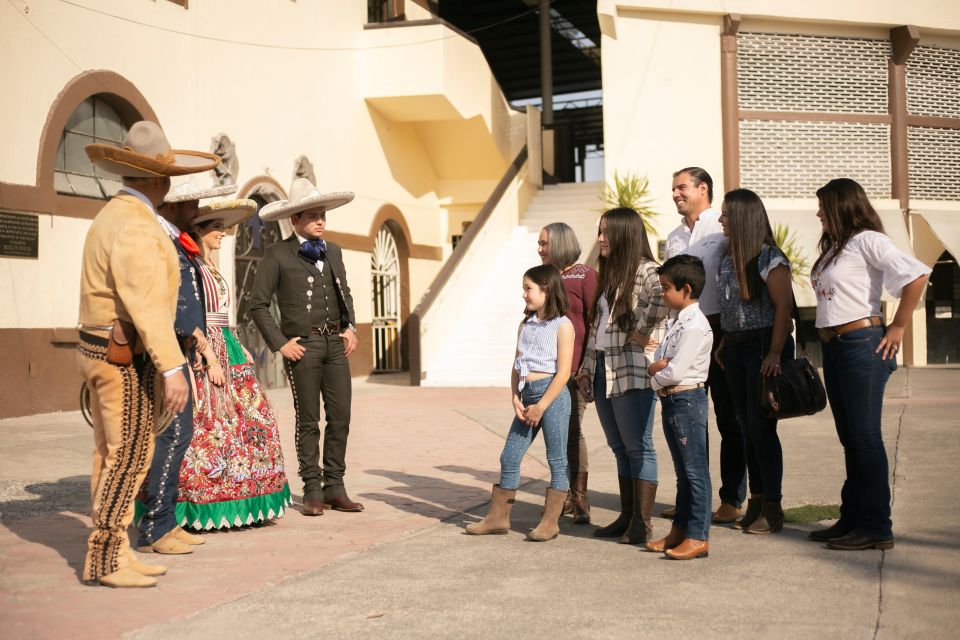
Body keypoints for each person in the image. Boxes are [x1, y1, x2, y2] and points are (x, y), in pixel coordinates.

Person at [78, 120, 218, 587]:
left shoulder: (112, 216)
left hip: (103, 346)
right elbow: (146, 304)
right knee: (129, 455)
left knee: (109, 452)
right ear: (160, 181)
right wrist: (172, 367)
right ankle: (108, 557)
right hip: (122, 353)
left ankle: (112, 549)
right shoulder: (136, 224)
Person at [808, 178, 930, 551]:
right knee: (850, 440)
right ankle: (853, 518)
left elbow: (917, 273)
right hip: (835, 346)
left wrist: (899, 326)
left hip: (862, 344)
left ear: (842, 207)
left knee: (864, 438)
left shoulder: (867, 240)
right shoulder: (835, 248)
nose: (818, 214)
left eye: (824, 208)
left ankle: (877, 527)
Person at [177, 198, 291, 530]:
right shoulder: (191, 265)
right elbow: (190, 313)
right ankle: (204, 501)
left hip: (227, 344)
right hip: (205, 348)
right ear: (198, 230)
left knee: (254, 419)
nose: (223, 233)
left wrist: (235, 342)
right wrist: (206, 355)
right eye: (215, 228)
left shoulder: (207, 264)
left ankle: (248, 496)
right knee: (211, 424)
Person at [135, 179, 235, 555]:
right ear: (173, 205)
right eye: (191, 201)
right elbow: (168, 298)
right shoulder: (160, 240)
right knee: (171, 435)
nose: (197, 208)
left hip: (181, 347)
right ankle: (153, 528)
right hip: (167, 349)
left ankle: (164, 521)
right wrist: (192, 338)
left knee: (179, 434)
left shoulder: (176, 239)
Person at [250, 178, 361, 516]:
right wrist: (281, 343)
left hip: (335, 344)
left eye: (322, 215)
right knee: (309, 420)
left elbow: (345, 292)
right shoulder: (277, 254)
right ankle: (312, 488)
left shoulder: (335, 251)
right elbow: (257, 304)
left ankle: (335, 486)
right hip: (304, 346)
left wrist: (350, 326)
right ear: (295, 219)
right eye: (312, 216)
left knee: (341, 416)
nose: (320, 221)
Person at [577, 207, 667, 545]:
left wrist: (640, 332)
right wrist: (586, 368)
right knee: (618, 447)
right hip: (602, 368)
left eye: (606, 232)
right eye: (600, 231)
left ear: (624, 235)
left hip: (631, 372)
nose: (600, 238)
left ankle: (642, 524)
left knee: (638, 446)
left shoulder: (647, 270)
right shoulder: (610, 274)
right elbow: (595, 328)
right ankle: (628, 516)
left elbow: (662, 298)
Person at [466, 264, 574, 541]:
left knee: (556, 459)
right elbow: (516, 365)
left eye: (528, 288)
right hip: (527, 398)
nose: (524, 294)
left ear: (546, 289)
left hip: (552, 398)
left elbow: (563, 373)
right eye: (524, 289)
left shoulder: (563, 325)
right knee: (509, 456)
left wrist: (542, 405)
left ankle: (550, 522)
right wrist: (515, 396)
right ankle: (498, 518)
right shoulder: (525, 325)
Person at [663, 167, 743, 524]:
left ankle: (731, 499)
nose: (676, 193)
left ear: (703, 189)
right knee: (688, 419)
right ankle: (692, 498)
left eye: (682, 187)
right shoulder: (673, 237)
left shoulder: (721, 228)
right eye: (674, 189)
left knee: (729, 419)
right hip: (685, 333)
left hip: (720, 331)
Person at [716, 188, 795, 535]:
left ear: (743, 218)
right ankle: (757, 501)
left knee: (761, 428)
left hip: (762, 346)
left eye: (726, 215)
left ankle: (773, 507)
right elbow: (731, 308)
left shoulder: (768, 258)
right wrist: (723, 343)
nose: (721, 220)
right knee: (745, 428)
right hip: (733, 349)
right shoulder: (726, 258)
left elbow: (785, 308)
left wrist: (776, 353)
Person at [646, 255, 713, 560]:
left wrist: (656, 374)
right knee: (683, 473)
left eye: (666, 287)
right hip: (672, 400)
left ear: (686, 289)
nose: (662, 293)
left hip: (687, 400)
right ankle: (679, 531)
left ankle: (698, 536)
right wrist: (659, 370)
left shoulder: (696, 325)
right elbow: (659, 360)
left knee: (695, 472)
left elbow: (672, 371)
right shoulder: (676, 321)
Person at [537, 222, 598, 524]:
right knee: (555, 435)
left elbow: (595, 322)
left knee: (573, 431)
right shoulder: (544, 277)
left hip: (575, 371)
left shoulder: (585, 275)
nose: (540, 249)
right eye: (539, 243)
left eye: (544, 243)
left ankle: (579, 497)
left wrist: (588, 365)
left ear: (560, 243)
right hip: (547, 370)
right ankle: (563, 495)